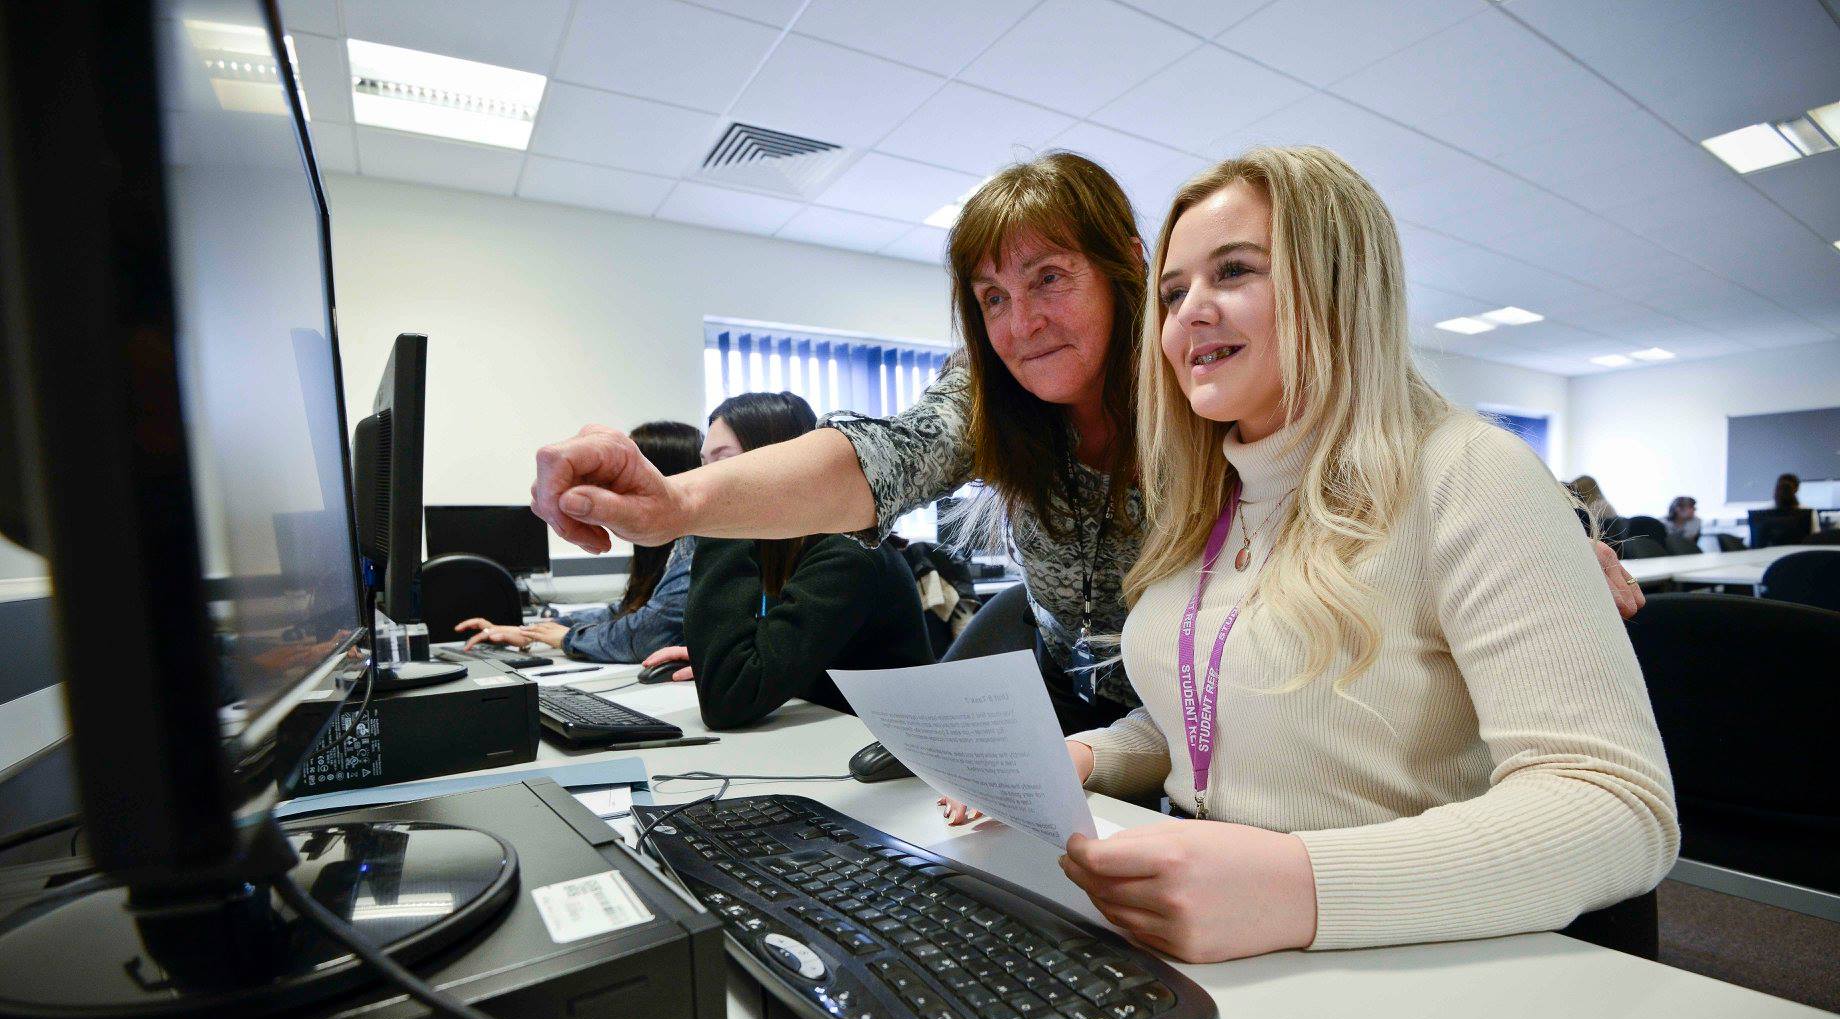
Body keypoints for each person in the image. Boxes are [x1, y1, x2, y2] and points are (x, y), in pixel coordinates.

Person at [528, 153, 1644, 733]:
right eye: (993, 296)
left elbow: (1397, 413)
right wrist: (673, 503)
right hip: (1084, 705)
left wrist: (1558, 534)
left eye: (1050, 280)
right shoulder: (991, 395)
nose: (1021, 324)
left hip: (1228, 710)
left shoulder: (1202, 368)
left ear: (1121, 269)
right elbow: (870, 459)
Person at [1028, 147, 1676, 963]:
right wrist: (1090, 755)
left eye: (1234, 271)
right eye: (1173, 291)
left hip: (1401, 956)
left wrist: (1297, 885)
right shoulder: (1208, 500)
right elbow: (1219, 718)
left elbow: (1616, 808)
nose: (1190, 311)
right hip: (1222, 944)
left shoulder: (1466, 470)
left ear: (1336, 284)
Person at [670, 391, 934, 731]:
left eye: (724, 464)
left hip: (886, 760)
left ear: (779, 467)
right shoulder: (791, 550)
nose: (704, 480)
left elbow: (729, 700)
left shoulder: (847, 555)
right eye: (704, 465)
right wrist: (720, 656)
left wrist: (719, 520)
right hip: (831, 741)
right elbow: (759, 669)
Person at [456, 420, 701, 661]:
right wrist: (533, 632)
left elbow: (648, 634)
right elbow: (624, 611)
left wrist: (567, 637)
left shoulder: (696, 544)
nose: (611, 487)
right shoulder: (664, 548)